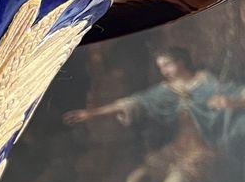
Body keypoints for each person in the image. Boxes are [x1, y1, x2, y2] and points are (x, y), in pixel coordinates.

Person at [64, 47, 245, 160]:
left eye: (167, 65)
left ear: (180, 62)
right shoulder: (165, 91)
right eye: (161, 67)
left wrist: (231, 102)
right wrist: (92, 113)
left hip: (211, 144)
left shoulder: (206, 80)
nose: (164, 71)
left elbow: (238, 92)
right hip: (181, 149)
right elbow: (133, 103)